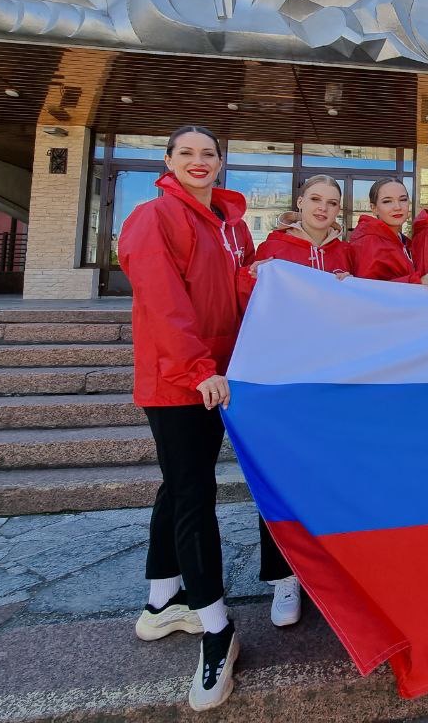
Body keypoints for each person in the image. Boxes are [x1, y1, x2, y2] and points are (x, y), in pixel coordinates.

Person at [118, 125, 251, 712]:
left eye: (209, 154)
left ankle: (160, 603)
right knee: (195, 494)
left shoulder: (229, 225)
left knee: (178, 486)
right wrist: (197, 366)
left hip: (216, 375)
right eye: (187, 154)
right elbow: (163, 299)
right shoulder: (154, 217)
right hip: (181, 380)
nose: (199, 162)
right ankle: (216, 624)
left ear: (221, 163)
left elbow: (239, 288)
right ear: (168, 161)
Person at [242, 174, 352, 633]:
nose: (323, 209)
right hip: (281, 380)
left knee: (327, 476)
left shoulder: (345, 254)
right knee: (278, 477)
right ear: (300, 203)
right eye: (315, 201)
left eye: (331, 203)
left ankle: (328, 571)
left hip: (331, 380)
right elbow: (248, 302)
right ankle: (284, 577)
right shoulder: (273, 250)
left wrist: (350, 289)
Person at [351, 177, 428, 290]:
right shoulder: (368, 242)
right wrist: (416, 281)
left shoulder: (404, 241)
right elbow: (367, 291)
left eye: (403, 199)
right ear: (374, 208)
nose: (397, 207)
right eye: (387, 201)